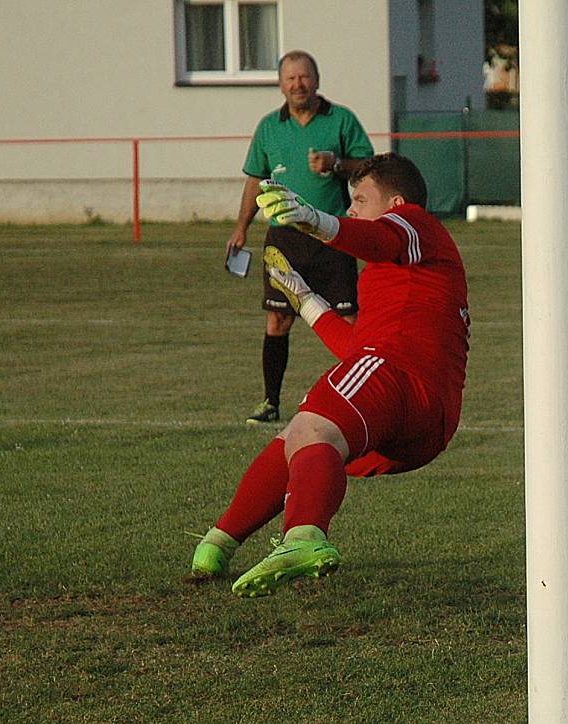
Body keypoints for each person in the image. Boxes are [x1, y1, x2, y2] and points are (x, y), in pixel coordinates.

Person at [192, 153, 470, 597]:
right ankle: (217, 544)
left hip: (400, 377)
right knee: (295, 440)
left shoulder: (414, 223)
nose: (352, 210)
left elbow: (376, 239)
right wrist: (305, 300)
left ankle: (303, 536)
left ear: (396, 202)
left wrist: (313, 219)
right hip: (425, 415)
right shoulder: (406, 274)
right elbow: (357, 353)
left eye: (360, 199)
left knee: (311, 428)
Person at [226, 49, 373, 424]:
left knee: (349, 321)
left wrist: (336, 164)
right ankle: (270, 402)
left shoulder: (341, 120)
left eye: (304, 77)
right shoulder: (268, 127)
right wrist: (241, 227)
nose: (298, 84)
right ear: (280, 85)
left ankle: (367, 397)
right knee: (277, 322)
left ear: (317, 80)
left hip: (332, 236)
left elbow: (371, 167)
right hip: (284, 240)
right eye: (290, 78)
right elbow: (255, 180)